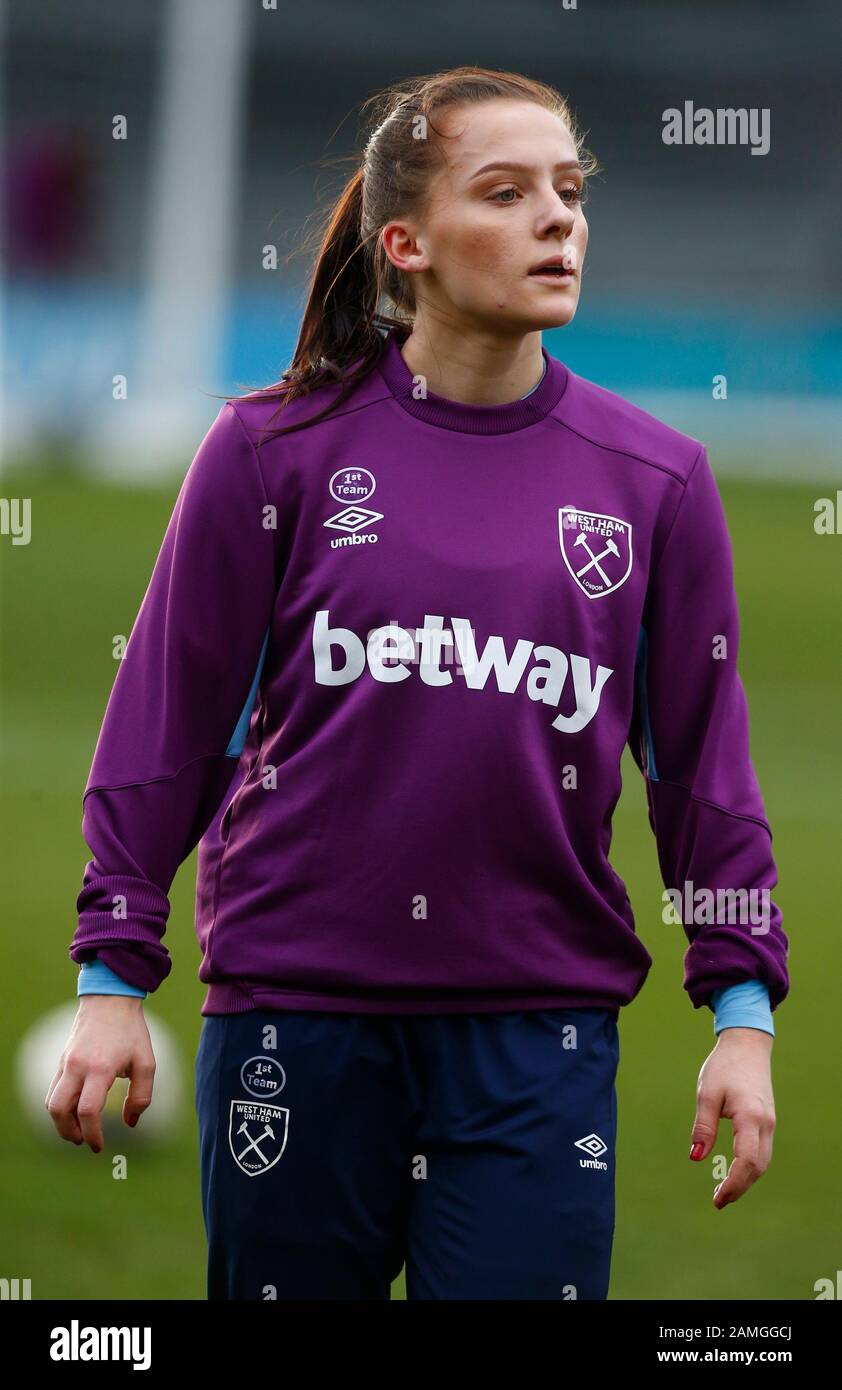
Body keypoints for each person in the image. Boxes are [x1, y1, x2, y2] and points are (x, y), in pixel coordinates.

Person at [47, 66, 787, 1301]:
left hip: (536, 1034)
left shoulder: (654, 482)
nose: (557, 219)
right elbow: (165, 725)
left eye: (568, 190)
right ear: (408, 243)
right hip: (294, 1014)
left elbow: (701, 772)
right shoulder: (269, 453)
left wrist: (742, 1015)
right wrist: (113, 978)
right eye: (505, 193)